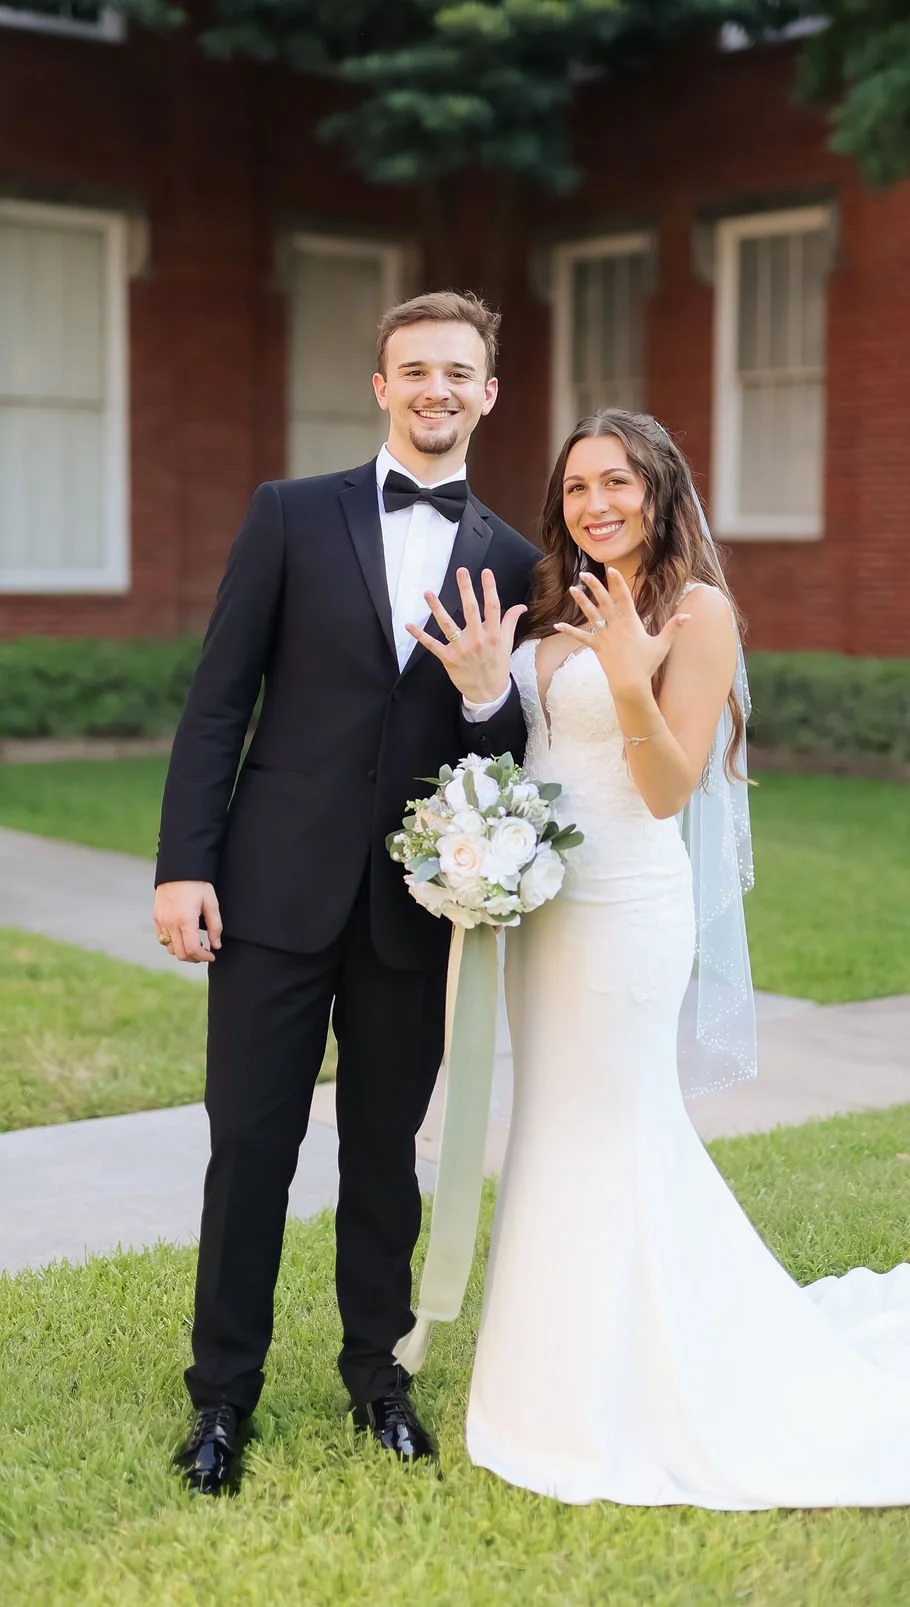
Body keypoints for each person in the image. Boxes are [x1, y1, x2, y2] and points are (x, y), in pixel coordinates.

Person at [464, 408, 910, 1509]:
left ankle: (623, 1393)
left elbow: (671, 787)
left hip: (625, 902)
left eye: (616, 482)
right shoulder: (553, 593)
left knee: (610, 1124)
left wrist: (628, 675)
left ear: (660, 490)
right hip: (541, 898)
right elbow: (529, 738)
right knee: (547, 1122)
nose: (594, 505)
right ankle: (547, 1374)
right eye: (576, 487)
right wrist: (487, 692)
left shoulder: (697, 610)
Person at [154, 291, 538, 1495]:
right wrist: (183, 862)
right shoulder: (288, 514)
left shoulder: (518, 558)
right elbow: (220, 699)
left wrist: (484, 697)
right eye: (413, 367)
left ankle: (378, 1373)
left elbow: (521, 751)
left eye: (458, 371)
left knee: (384, 1154)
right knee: (249, 1147)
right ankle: (222, 1397)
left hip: (415, 907)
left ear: (488, 393)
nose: (435, 387)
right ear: (380, 385)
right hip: (268, 893)